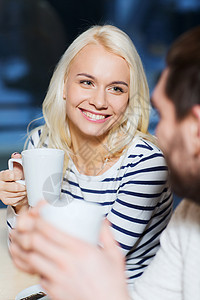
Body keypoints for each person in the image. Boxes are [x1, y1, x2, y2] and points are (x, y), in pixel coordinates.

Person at [0, 25, 172, 289]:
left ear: (129, 99)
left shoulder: (146, 164)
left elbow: (93, 264)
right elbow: (25, 255)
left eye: (116, 89)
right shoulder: (41, 143)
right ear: (64, 86)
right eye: (87, 82)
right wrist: (20, 205)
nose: (99, 101)